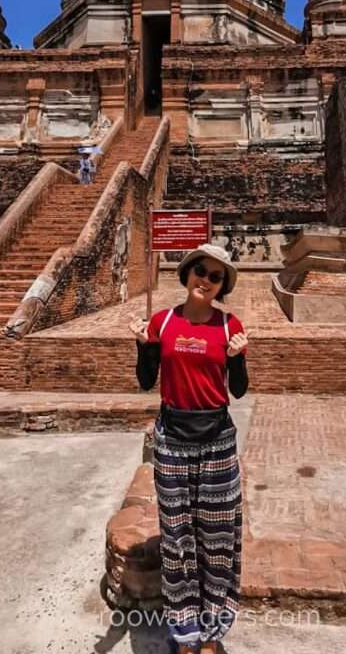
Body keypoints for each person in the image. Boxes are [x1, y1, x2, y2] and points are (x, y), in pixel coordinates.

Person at [130, 243, 249, 654]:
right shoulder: (163, 322)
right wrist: (144, 346)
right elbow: (146, 381)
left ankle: (214, 631)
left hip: (216, 439)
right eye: (200, 270)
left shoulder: (229, 326)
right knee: (177, 538)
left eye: (216, 276)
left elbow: (238, 389)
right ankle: (184, 632)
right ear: (187, 273)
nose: (206, 280)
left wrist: (237, 359)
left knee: (217, 538)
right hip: (173, 439)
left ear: (222, 286)